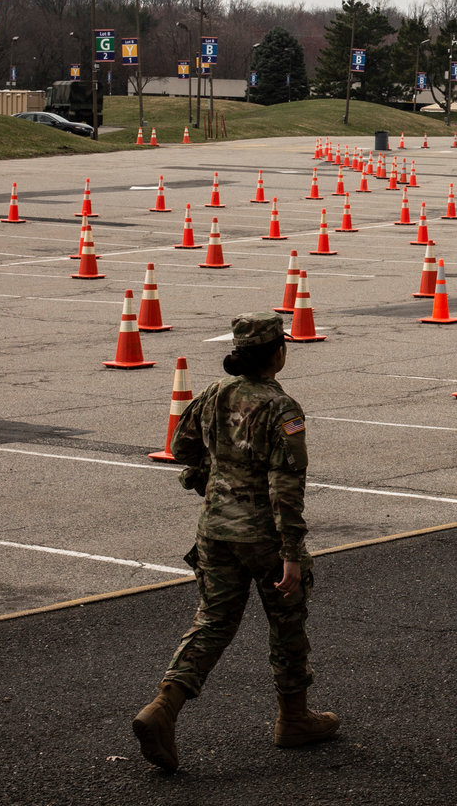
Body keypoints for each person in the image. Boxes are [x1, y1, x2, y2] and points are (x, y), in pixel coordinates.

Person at [132, 311, 340, 772]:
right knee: (287, 621)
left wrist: (214, 473)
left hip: (215, 530)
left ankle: (164, 707)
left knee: (214, 621)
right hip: (262, 536)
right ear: (276, 354)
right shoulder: (281, 408)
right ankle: (293, 717)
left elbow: (182, 448)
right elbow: (286, 486)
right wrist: (290, 553)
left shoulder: (214, 394)